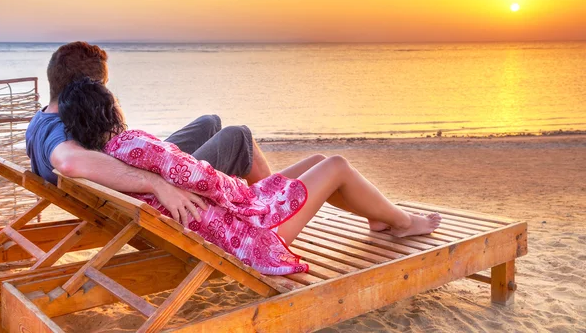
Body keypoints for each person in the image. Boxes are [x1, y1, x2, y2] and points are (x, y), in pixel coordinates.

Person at [57, 77, 442, 275]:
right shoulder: (134, 145)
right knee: (337, 163)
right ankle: (405, 222)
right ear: (110, 108)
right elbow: (199, 177)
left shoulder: (107, 157)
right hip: (247, 236)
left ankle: (379, 216)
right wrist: (244, 192)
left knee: (319, 159)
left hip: (219, 223)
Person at [26, 41, 271, 221]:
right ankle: (271, 211)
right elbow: (68, 162)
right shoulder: (58, 132)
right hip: (145, 205)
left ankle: (247, 200)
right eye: (103, 87)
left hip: (125, 195)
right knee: (238, 137)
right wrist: (155, 183)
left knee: (210, 123)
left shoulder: (43, 117)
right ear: (89, 88)